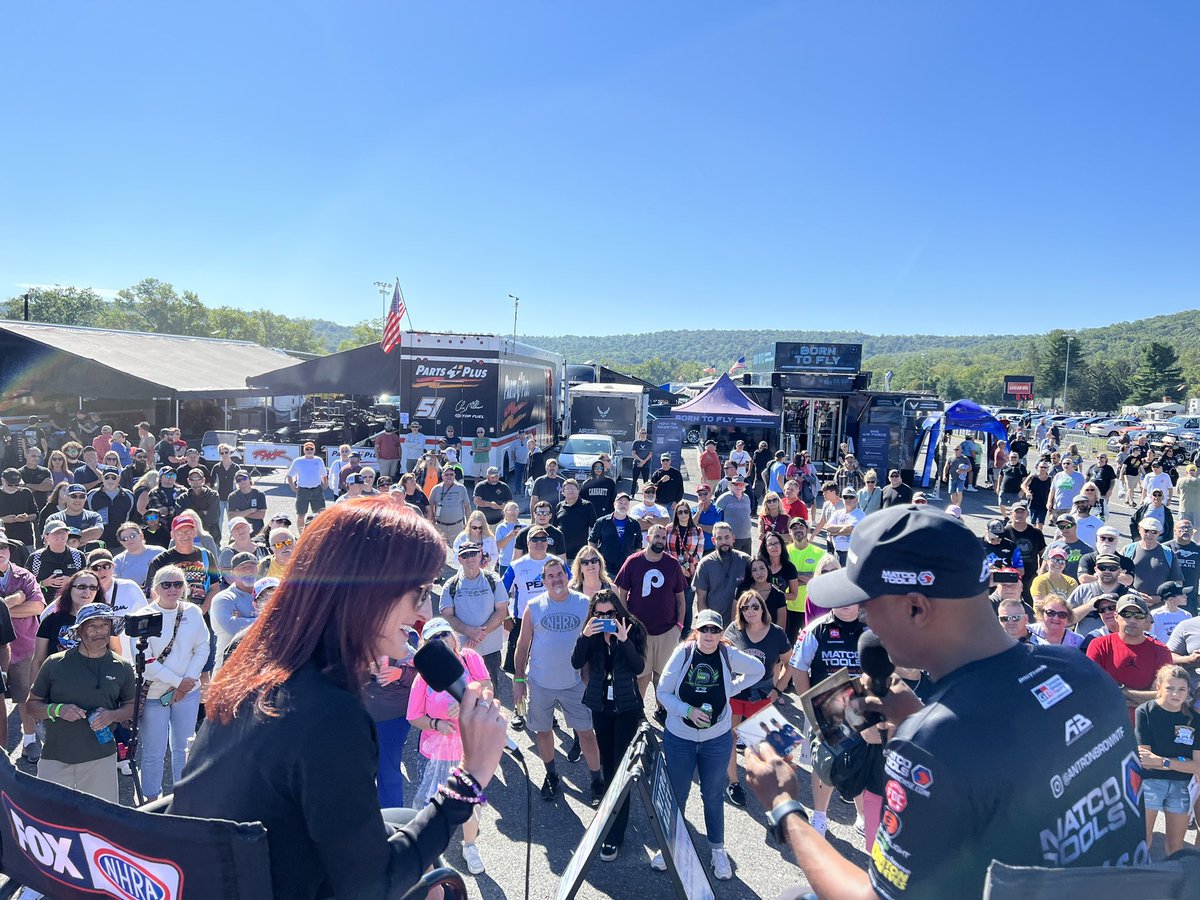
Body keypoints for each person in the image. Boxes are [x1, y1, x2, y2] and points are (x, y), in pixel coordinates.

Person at [743, 503, 1148, 900]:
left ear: (916, 607)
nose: (866, 623)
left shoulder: (930, 744)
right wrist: (919, 718)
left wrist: (784, 805)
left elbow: (872, 896)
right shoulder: (1081, 669)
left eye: (868, 607)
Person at [169, 499, 509, 900]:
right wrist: (470, 778)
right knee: (438, 885)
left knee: (407, 824)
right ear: (368, 591)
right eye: (417, 593)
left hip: (225, 873)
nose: (421, 613)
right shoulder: (330, 715)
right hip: (275, 881)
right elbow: (369, 888)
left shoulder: (258, 656)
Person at [653, 609, 764, 881]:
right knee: (677, 794)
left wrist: (730, 689)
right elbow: (662, 692)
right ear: (697, 631)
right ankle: (670, 847)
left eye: (715, 630)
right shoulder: (684, 653)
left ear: (721, 633)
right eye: (705, 630)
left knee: (713, 796)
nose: (710, 635)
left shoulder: (728, 654)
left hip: (717, 739)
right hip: (680, 738)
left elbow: (759, 670)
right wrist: (687, 711)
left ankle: (717, 850)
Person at [512, 557, 604, 804]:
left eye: (559, 574)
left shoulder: (584, 604)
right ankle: (552, 775)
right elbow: (522, 647)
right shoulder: (534, 606)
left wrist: (591, 678)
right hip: (540, 683)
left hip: (575, 684)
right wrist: (518, 679)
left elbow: (595, 645)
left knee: (586, 733)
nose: (556, 579)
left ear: (567, 576)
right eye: (550, 576)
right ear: (543, 581)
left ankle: (597, 780)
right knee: (544, 731)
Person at [407, 618, 491, 877]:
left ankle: (470, 846)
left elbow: (487, 687)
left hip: (469, 746)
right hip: (434, 753)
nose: (441, 640)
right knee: (431, 805)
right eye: (433, 638)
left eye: (444, 633)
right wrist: (436, 723)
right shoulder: (425, 676)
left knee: (467, 801)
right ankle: (427, 857)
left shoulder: (469, 658)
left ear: (454, 637)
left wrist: (472, 699)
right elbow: (413, 716)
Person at [26, 603, 135, 802]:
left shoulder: (122, 666)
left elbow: (131, 706)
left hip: (101, 758)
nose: (99, 632)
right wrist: (58, 710)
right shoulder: (54, 663)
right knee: (50, 824)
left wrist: (112, 715)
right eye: (92, 626)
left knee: (100, 824)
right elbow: (32, 705)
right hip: (55, 756)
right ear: (80, 631)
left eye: (104, 625)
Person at [571, 589, 646, 862]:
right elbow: (576, 662)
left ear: (618, 611)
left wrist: (623, 640)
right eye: (599, 614)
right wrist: (585, 636)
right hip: (602, 707)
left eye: (610, 614)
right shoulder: (590, 634)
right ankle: (612, 813)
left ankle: (614, 835)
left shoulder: (633, 629)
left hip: (626, 709)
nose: (605, 618)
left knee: (619, 769)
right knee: (608, 765)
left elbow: (639, 667)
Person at [135, 565, 211, 802]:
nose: (172, 589)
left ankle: (183, 797)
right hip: (156, 694)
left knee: (184, 749)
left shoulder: (193, 612)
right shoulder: (143, 616)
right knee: (153, 752)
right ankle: (151, 799)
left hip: (188, 693)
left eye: (178, 584)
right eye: (166, 584)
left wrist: (187, 682)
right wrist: (179, 682)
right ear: (155, 588)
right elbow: (145, 662)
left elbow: (203, 647)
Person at [723, 590, 790, 807]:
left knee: (761, 744)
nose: (750, 611)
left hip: (761, 695)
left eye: (755, 606)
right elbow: (721, 658)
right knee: (730, 739)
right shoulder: (734, 630)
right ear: (739, 611)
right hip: (735, 694)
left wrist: (778, 690)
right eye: (745, 607)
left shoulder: (776, 633)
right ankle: (733, 783)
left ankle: (765, 786)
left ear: (763, 608)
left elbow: (792, 665)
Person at [614, 523, 687, 708]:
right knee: (642, 675)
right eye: (657, 536)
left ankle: (661, 709)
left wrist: (679, 626)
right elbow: (621, 592)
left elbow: (680, 598)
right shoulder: (633, 561)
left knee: (664, 676)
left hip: (667, 630)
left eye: (663, 537)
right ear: (648, 538)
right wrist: (626, 620)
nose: (660, 541)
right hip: (640, 632)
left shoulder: (672, 564)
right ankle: (637, 712)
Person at [1135, 665, 1200, 858]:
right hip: (1150, 782)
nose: (1175, 694)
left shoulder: (1194, 719)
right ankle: (1139, 880)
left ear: (1188, 691)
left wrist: (1162, 761)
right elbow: (1145, 760)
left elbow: (1196, 766)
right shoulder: (1145, 711)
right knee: (1143, 839)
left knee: (1175, 845)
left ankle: (1176, 886)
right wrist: (1181, 762)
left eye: (1181, 689)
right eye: (1170, 688)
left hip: (1181, 785)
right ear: (1158, 686)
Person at [1087, 594, 1173, 718]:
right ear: (1116, 617)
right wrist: (1142, 698)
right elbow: (1094, 690)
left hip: (1147, 724)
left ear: (1147, 620)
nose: (1132, 620)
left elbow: (1163, 696)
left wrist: (1121, 690)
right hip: (1108, 724)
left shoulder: (1161, 651)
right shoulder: (1099, 645)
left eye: (1138, 615)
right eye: (1126, 614)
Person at [440, 543, 509, 689]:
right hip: (462, 651)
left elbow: (502, 611)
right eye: (465, 555)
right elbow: (447, 616)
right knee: (463, 695)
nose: (470, 558)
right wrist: (468, 631)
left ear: (480, 555)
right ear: (459, 559)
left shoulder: (493, 580)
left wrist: (479, 633)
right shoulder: (450, 585)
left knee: (490, 692)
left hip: (490, 651)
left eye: (473, 554)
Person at [1, 538, 45, 762]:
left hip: (25, 645)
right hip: (1, 649)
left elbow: (38, 606)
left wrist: (3, 606)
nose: (0, 552)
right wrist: (19, 600)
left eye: (3, 547)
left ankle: (30, 742)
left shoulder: (24, 575)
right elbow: (28, 605)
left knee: (25, 698)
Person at [210, 552, 260, 667]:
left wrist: (243, 619)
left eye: (252, 567)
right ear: (233, 573)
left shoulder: (264, 594)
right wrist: (267, 620)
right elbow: (232, 626)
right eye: (243, 568)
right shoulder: (223, 598)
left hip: (257, 666)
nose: (248, 571)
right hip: (228, 666)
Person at [695, 522, 751, 623]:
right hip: (715, 623)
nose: (724, 541)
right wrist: (706, 623)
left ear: (733, 538)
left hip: (743, 622)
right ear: (713, 541)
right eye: (719, 538)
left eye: (727, 537)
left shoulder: (746, 561)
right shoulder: (705, 564)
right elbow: (701, 598)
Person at [285, 442, 328, 530]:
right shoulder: (298, 461)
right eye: (307, 449)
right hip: (303, 490)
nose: (309, 451)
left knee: (320, 514)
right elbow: (289, 476)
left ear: (314, 450)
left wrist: (324, 486)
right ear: (304, 450)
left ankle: (318, 532)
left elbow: (324, 475)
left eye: (311, 449)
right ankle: (301, 535)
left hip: (317, 490)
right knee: (301, 515)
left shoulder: (319, 460)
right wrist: (293, 488)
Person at [552, 479, 597, 563]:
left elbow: (594, 528)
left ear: (578, 491)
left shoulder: (587, 505)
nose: (570, 491)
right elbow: (554, 528)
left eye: (573, 488)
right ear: (563, 492)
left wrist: (592, 549)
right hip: (562, 553)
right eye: (567, 489)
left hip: (581, 553)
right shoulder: (559, 506)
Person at [429, 466, 472, 548]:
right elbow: (430, 507)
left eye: (451, 474)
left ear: (454, 476)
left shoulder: (461, 488)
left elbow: (467, 507)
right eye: (446, 474)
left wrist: (468, 523)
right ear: (442, 476)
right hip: (440, 526)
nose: (449, 476)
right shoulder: (436, 489)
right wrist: (432, 522)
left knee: (459, 550)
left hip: (457, 526)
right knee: (439, 550)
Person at [1150, 581, 1191, 645]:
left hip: (1180, 653)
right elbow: (1150, 635)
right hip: (1160, 652)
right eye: (1182, 594)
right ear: (1171, 599)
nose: (1186, 596)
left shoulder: (1187, 615)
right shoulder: (1155, 615)